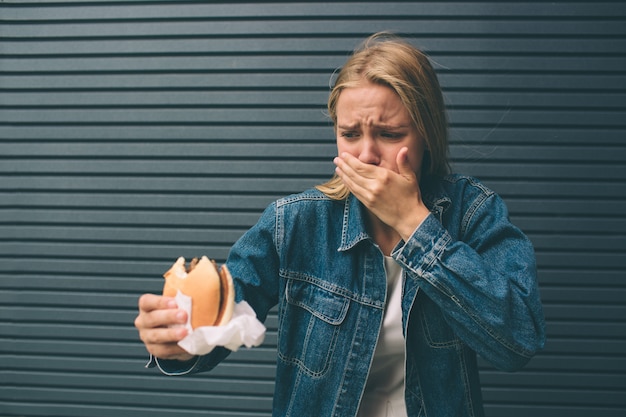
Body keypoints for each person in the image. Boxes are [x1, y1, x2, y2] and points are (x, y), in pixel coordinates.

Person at [134, 32, 545, 417]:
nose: (365, 155)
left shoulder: (473, 214)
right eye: (350, 134)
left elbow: (518, 341)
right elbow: (220, 321)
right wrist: (177, 340)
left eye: (388, 133)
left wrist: (415, 225)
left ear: (426, 135)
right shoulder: (293, 223)